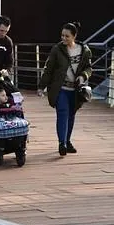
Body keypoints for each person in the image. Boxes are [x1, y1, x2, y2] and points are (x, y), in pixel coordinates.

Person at [38, 22, 92, 156]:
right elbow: (49, 69)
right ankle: (62, 143)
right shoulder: (57, 49)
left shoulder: (84, 50)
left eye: (67, 36)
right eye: (62, 35)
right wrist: (41, 86)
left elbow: (88, 68)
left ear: (74, 36)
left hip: (75, 90)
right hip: (60, 88)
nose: (63, 38)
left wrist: (83, 76)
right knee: (62, 113)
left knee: (71, 115)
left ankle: (67, 141)